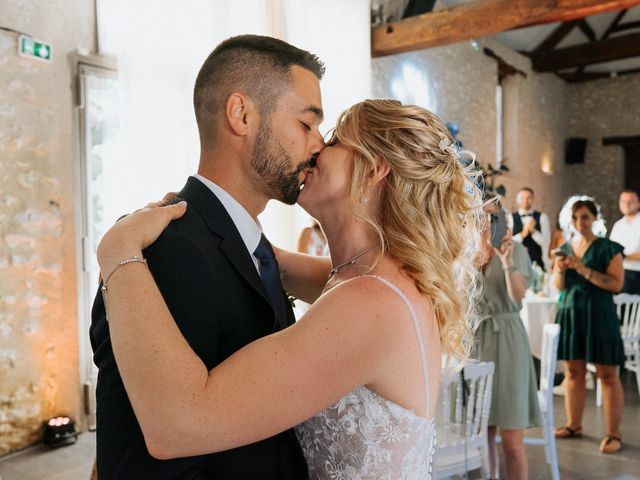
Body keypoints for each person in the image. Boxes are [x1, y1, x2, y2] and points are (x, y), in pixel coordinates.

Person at [95, 99, 484, 478]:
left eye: (333, 140)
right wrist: (198, 217)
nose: (316, 147)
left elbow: (179, 424)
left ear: (373, 170)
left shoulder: (370, 304)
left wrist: (119, 251)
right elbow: (255, 253)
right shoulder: (365, 276)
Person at [89, 34, 326, 479]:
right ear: (241, 115)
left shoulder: (251, 244)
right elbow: (142, 455)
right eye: (306, 123)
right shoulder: (165, 247)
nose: (318, 144)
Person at [553, 199, 625, 454]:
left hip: (600, 315)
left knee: (607, 374)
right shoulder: (564, 248)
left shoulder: (608, 248)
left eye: (585, 217)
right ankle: (574, 425)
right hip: (571, 314)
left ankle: (613, 434)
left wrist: (582, 269)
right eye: (575, 218)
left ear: (594, 218)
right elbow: (559, 286)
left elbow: (616, 284)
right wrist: (560, 270)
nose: (580, 223)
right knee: (573, 372)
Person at [475, 203, 540, 480]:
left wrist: (506, 260)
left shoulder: (517, 251)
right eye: (480, 215)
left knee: (512, 440)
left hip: (509, 341)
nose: (485, 221)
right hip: (478, 341)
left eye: (492, 216)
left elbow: (517, 297)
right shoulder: (469, 252)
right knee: (483, 433)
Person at [508, 187, 551, 271]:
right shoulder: (510, 217)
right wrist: (523, 234)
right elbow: (508, 243)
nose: (525, 200)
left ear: (533, 199)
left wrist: (534, 232)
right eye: (522, 197)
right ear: (518, 199)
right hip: (517, 264)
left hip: (538, 264)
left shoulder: (542, 217)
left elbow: (547, 243)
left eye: (528, 197)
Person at [609, 188, 640, 294]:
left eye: (630, 202)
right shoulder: (618, 225)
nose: (626, 204)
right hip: (618, 273)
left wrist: (625, 256)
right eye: (623, 201)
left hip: (637, 273)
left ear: (638, 204)